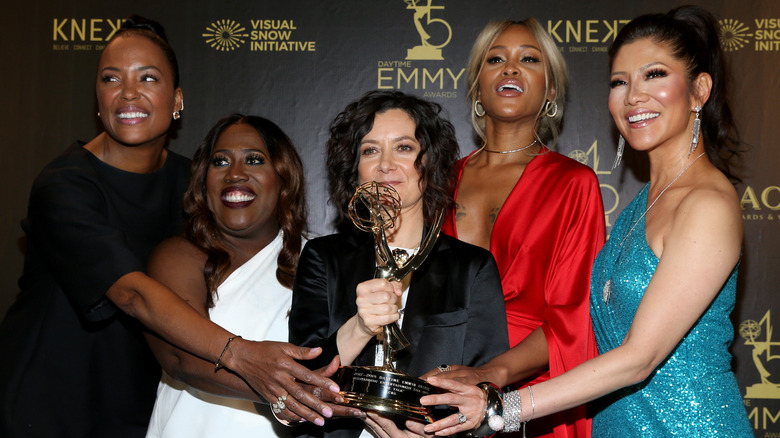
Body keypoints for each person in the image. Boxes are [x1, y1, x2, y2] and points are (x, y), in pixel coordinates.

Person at [421, 6, 752, 437]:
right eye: (620, 82)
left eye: (654, 75)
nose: (634, 95)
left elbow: (640, 357)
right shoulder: (643, 205)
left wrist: (501, 405)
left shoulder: (708, 202)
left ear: (699, 90)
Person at [0, 17, 340, 438]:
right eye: (111, 78)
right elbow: (132, 293)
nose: (128, 93)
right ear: (98, 98)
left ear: (176, 99)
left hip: (139, 401)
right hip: (49, 400)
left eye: (147, 77)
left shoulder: (193, 184)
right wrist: (242, 356)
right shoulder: (64, 185)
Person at [289, 90, 509, 438]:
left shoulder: (471, 267)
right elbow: (301, 384)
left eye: (404, 147)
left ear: (430, 162)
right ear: (354, 169)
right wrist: (360, 327)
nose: (385, 164)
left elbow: (484, 395)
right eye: (370, 150)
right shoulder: (323, 257)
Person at [432, 18, 605, 438]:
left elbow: (576, 319)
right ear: (476, 85)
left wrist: (490, 374)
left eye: (528, 59)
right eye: (496, 59)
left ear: (551, 89)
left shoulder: (573, 183)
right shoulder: (436, 183)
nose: (510, 69)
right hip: (440, 389)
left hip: (535, 398)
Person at [144, 114, 315, 436]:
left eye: (254, 160)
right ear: (203, 182)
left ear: (283, 179)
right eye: (220, 162)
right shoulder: (178, 257)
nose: (235, 174)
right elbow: (180, 358)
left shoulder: (319, 263)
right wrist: (299, 393)